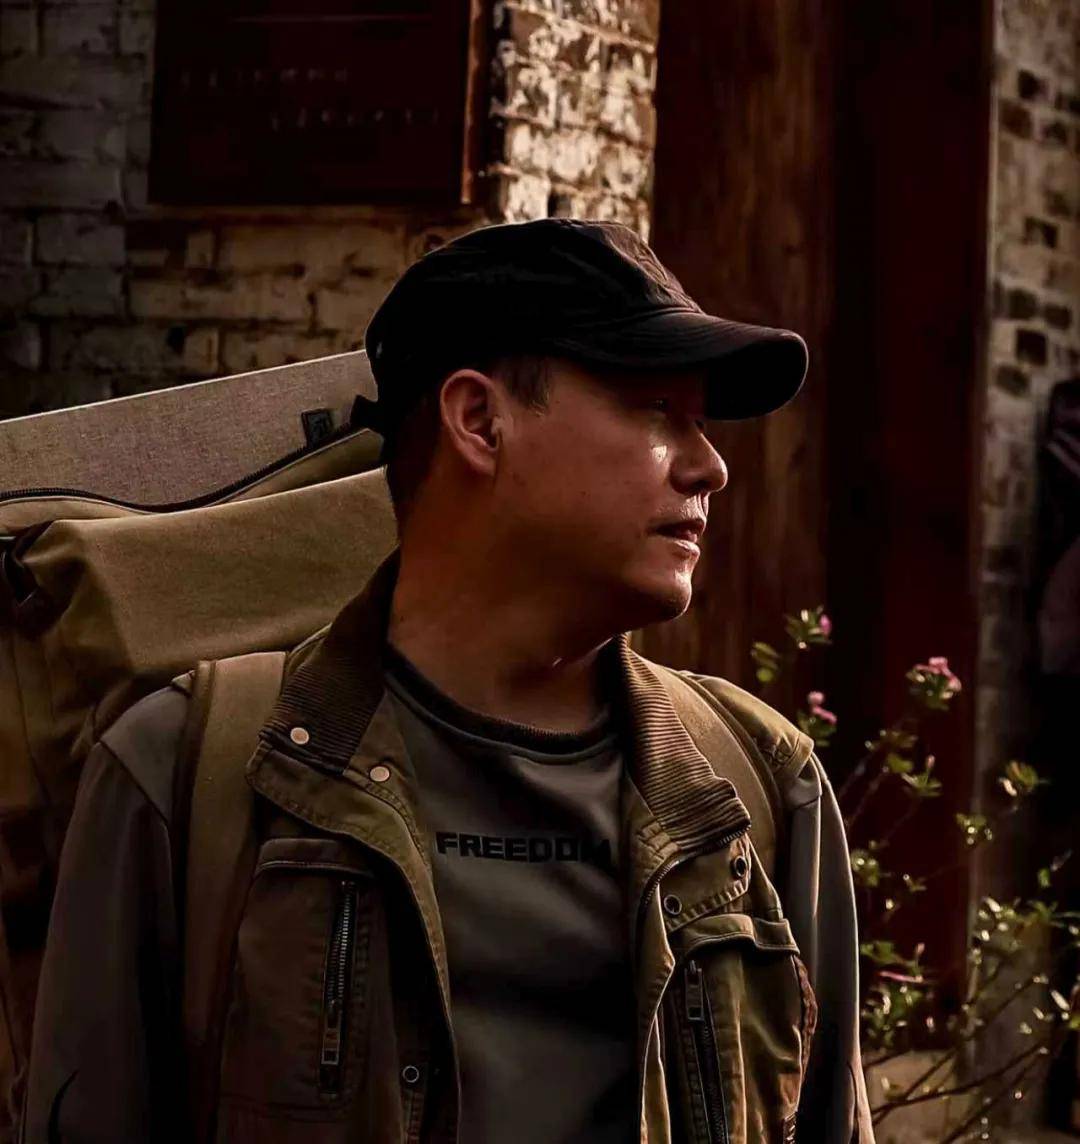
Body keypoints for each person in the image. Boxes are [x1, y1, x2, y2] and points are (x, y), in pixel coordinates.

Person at [23, 218, 874, 1143]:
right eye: (658, 408)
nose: (710, 465)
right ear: (479, 420)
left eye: (700, 422)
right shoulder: (187, 772)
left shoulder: (759, 787)